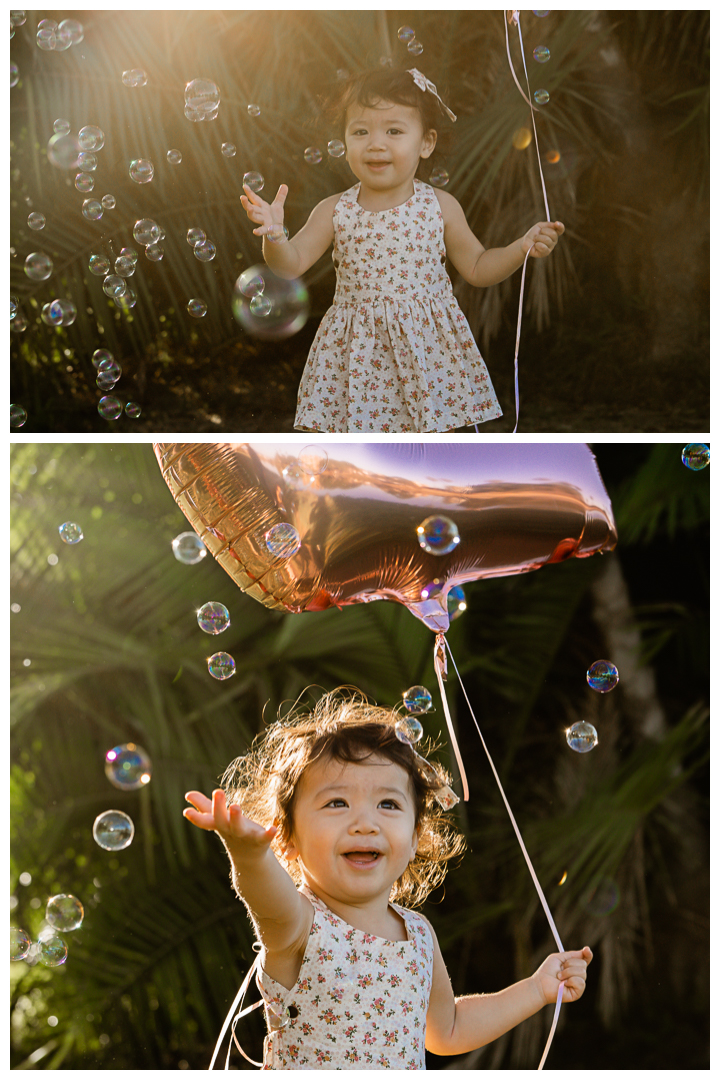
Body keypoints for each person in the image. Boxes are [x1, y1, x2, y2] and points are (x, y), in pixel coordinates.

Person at [184, 691, 592, 1069]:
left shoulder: (417, 933)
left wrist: (537, 989)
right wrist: (250, 855)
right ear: (288, 838)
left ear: (415, 838)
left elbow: (447, 1029)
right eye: (337, 802)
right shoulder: (300, 925)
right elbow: (264, 898)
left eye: (388, 803)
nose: (365, 823)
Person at [240, 66, 564, 434]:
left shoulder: (439, 205)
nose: (376, 143)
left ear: (426, 143)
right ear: (345, 142)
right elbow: (289, 265)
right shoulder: (335, 210)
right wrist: (275, 235)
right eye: (360, 131)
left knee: (430, 449)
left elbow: (477, 266)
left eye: (394, 131)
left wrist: (520, 247)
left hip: (426, 353)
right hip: (359, 357)